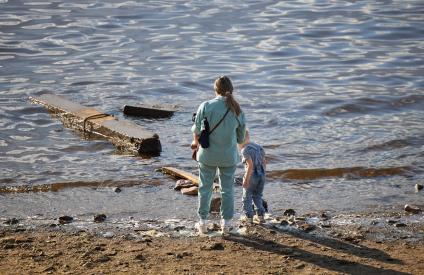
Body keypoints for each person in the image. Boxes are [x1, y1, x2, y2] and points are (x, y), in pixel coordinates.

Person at [191, 75, 246, 234]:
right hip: (228, 156)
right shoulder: (237, 109)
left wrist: (196, 141)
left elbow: (196, 130)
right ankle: (226, 224)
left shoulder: (205, 106)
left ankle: (202, 223)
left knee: (204, 188)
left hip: (207, 155)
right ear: (231, 89)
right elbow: (241, 138)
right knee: (227, 189)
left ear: (215, 90)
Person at [239, 130, 267, 224]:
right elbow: (264, 162)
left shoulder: (245, 150)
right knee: (257, 195)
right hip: (262, 175)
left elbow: (250, 166)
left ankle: (249, 218)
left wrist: (246, 180)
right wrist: (263, 175)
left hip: (252, 175)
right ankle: (261, 217)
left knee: (246, 197)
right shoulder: (259, 147)